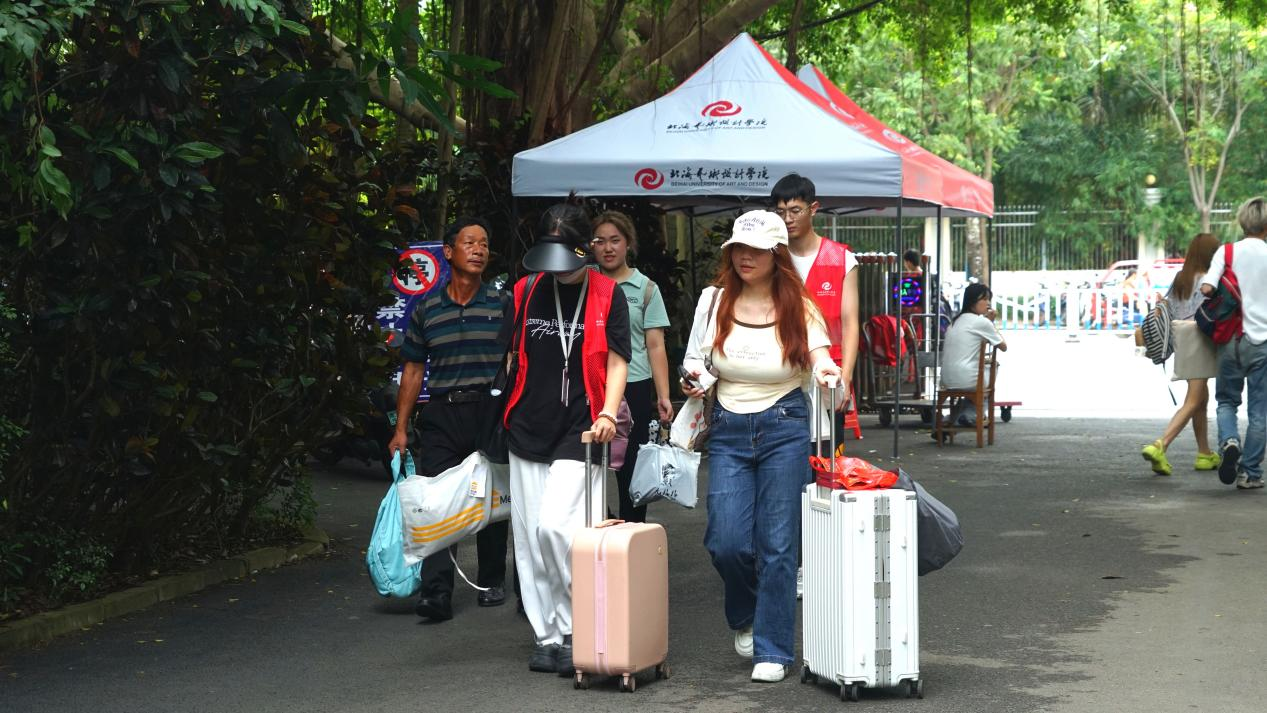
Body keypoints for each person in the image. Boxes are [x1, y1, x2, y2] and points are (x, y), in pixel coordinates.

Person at [680, 210, 841, 684]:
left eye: (756, 250)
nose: (745, 257)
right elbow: (695, 358)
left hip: (785, 424)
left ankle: (773, 648)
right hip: (728, 425)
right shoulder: (714, 301)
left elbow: (820, 355)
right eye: (738, 249)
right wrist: (695, 378)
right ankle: (746, 615)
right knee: (725, 541)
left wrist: (827, 371)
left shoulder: (798, 304)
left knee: (778, 543)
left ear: (776, 255)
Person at [502, 202, 631, 675]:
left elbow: (617, 359)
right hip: (527, 426)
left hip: (583, 428)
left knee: (557, 528)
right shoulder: (525, 289)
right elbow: (512, 357)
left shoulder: (608, 293)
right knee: (530, 539)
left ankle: (580, 624)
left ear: (585, 249)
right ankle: (547, 635)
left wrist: (608, 412)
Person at [388, 217, 510, 621]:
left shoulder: (502, 303)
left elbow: (518, 359)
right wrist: (401, 428)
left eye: (484, 243)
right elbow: (412, 370)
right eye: (469, 242)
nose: (478, 250)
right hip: (442, 413)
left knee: (491, 496)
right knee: (437, 500)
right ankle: (436, 592)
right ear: (448, 252)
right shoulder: (427, 309)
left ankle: (492, 580)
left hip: (490, 411)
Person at [770, 173, 860, 600]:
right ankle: (789, 560)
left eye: (795, 210)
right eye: (781, 212)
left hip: (826, 379)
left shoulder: (841, 258)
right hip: (781, 377)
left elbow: (851, 322)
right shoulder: (769, 255)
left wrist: (847, 378)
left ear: (813, 209)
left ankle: (821, 558)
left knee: (825, 467)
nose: (788, 218)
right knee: (786, 470)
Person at [590, 210, 674, 522]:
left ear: (628, 244)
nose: (608, 248)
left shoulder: (646, 288)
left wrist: (663, 396)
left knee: (631, 468)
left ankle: (632, 531)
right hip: (591, 384)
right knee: (586, 463)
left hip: (634, 386)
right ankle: (601, 522)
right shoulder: (583, 284)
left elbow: (655, 345)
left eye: (615, 240)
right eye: (600, 241)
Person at [1140, 233, 1222, 476]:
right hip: (1200, 340)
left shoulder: (1180, 278)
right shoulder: (1208, 280)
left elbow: (1166, 306)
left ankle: (1204, 453)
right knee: (1194, 401)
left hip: (1181, 340)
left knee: (1201, 399)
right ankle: (1160, 445)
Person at [1201, 197, 1267, 489]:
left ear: (1243, 222)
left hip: (1230, 338)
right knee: (1259, 411)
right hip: (1262, 342)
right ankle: (1250, 473)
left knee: (1227, 400)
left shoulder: (1226, 252)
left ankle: (1229, 441)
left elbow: (1206, 287)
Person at [941, 283, 1007, 426]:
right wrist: (991, 323)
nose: (988, 303)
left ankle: (950, 420)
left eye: (989, 299)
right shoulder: (981, 322)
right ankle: (971, 415)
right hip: (968, 378)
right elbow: (1003, 346)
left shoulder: (954, 322)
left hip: (946, 378)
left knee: (970, 392)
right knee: (993, 368)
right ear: (972, 301)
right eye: (984, 299)